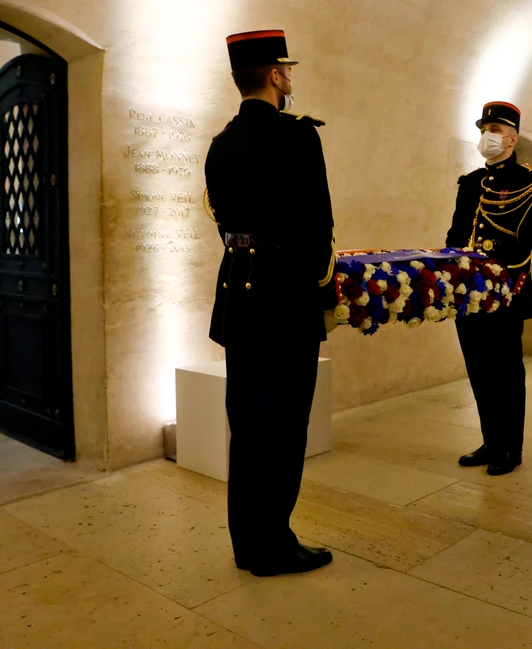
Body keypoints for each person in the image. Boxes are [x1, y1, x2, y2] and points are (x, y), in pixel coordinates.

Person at [203, 29, 339, 577]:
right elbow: (318, 227)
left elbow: (224, 222)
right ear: (277, 75)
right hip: (285, 296)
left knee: (247, 422)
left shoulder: (220, 142)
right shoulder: (297, 137)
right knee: (283, 426)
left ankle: (247, 542)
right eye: (288, 69)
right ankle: (273, 545)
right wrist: (323, 296)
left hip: (239, 290)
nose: (291, 78)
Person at [445, 101, 532, 476]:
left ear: (511, 138)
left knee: (506, 371)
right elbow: (456, 236)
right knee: (479, 369)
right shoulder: (471, 183)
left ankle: (511, 447)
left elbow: (531, 242)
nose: (486, 136)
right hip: (468, 296)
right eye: (483, 130)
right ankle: (491, 440)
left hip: (505, 292)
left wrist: (494, 274)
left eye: (494, 130)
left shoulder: (528, 183)